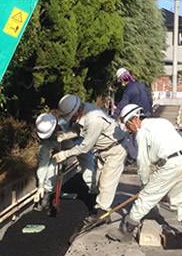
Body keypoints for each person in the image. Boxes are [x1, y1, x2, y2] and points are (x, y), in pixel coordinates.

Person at [107, 104, 182, 245]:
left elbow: (143, 163)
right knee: (179, 201)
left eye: (128, 126)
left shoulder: (143, 133)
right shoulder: (161, 122)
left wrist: (144, 184)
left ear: (135, 119)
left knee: (145, 198)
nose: (130, 131)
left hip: (170, 164)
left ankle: (126, 231)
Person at [54, 94, 129, 223]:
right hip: (103, 150)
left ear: (76, 111)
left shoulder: (94, 119)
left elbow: (84, 147)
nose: (71, 120)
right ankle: (99, 205)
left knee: (107, 182)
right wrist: (66, 135)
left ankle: (102, 214)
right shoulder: (85, 113)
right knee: (99, 181)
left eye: (71, 117)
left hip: (115, 150)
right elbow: (80, 131)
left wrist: (65, 154)